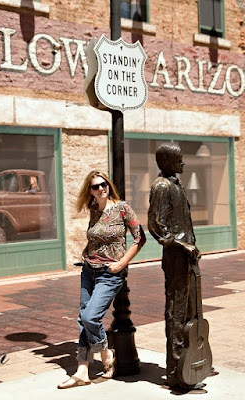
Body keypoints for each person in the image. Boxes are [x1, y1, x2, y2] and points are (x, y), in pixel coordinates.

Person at [58, 170, 146, 389]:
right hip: (89, 270)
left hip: (110, 273)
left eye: (104, 184)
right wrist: (85, 253)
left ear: (109, 185)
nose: (101, 188)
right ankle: (82, 370)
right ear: (90, 191)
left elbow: (139, 237)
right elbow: (96, 238)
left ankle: (107, 355)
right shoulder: (94, 209)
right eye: (96, 186)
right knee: (82, 319)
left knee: (90, 318)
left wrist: (121, 264)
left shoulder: (122, 208)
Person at [148, 143, 207, 390]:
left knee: (194, 310)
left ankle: (193, 360)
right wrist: (182, 245)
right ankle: (175, 371)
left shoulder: (176, 184)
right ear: (167, 162)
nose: (183, 163)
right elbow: (155, 225)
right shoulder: (161, 187)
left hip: (189, 257)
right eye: (179, 160)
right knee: (177, 310)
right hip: (176, 259)